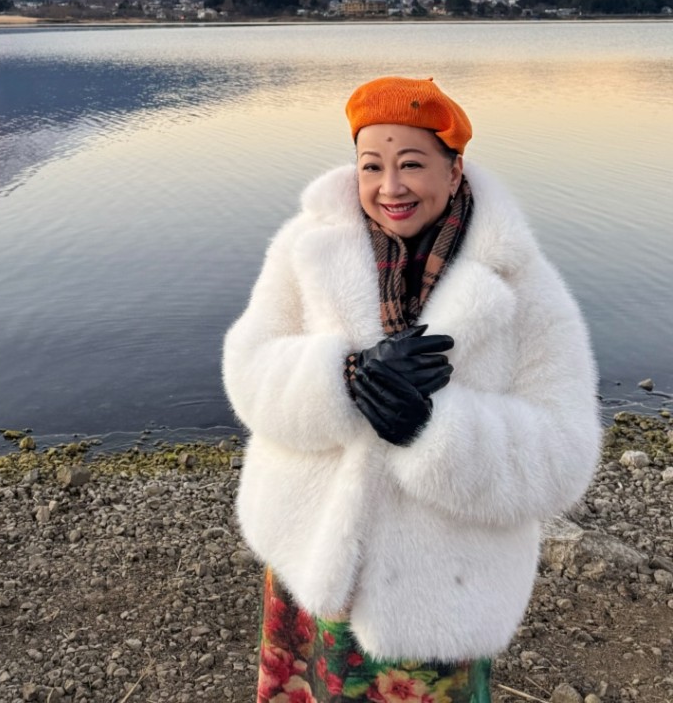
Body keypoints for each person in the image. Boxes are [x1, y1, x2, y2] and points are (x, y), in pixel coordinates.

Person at [222, 75, 600, 703]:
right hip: (310, 556)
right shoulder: (306, 247)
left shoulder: (524, 287)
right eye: (372, 165)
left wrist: (433, 427)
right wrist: (344, 377)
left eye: (412, 164)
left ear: (455, 171)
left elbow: (564, 453)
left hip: (439, 594)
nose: (390, 187)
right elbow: (249, 365)